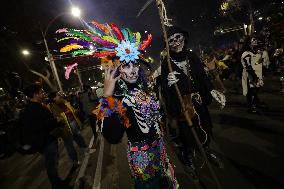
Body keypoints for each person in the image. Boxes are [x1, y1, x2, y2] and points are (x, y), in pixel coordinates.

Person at [58, 21, 179, 189]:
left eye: (134, 64)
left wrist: (169, 87)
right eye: (126, 65)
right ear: (117, 71)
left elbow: (159, 118)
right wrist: (107, 96)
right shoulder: (118, 99)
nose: (132, 70)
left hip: (161, 154)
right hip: (143, 163)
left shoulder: (143, 90)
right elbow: (113, 136)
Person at [160, 26, 224, 179]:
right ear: (168, 44)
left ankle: (206, 149)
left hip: (198, 101)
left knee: (205, 126)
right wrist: (169, 84)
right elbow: (165, 89)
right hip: (183, 105)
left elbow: (202, 77)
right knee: (187, 132)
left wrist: (211, 91)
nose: (176, 42)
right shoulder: (166, 63)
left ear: (184, 38)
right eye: (171, 40)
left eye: (178, 37)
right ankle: (188, 156)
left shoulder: (192, 56)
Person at [19, 84, 70, 189]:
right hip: (46, 141)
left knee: (53, 164)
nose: (44, 94)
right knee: (51, 165)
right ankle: (57, 186)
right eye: (41, 92)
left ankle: (58, 183)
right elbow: (38, 126)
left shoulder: (37, 106)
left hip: (48, 139)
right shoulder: (32, 109)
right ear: (35, 95)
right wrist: (55, 120)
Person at [48, 92, 89, 166]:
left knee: (79, 137)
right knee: (69, 145)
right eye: (58, 95)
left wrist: (75, 111)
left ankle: (85, 150)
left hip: (73, 123)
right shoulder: (52, 107)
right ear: (54, 98)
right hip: (64, 128)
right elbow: (57, 119)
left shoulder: (64, 102)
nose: (60, 96)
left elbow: (71, 110)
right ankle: (74, 161)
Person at [241, 37, 265, 113]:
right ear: (249, 42)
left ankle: (255, 103)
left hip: (255, 74)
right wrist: (254, 76)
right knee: (251, 91)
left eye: (255, 39)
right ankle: (251, 106)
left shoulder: (254, 51)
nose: (255, 40)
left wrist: (260, 60)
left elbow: (256, 63)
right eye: (253, 40)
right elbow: (248, 66)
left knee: (255, 90)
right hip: (250, 74)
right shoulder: (246, 53)